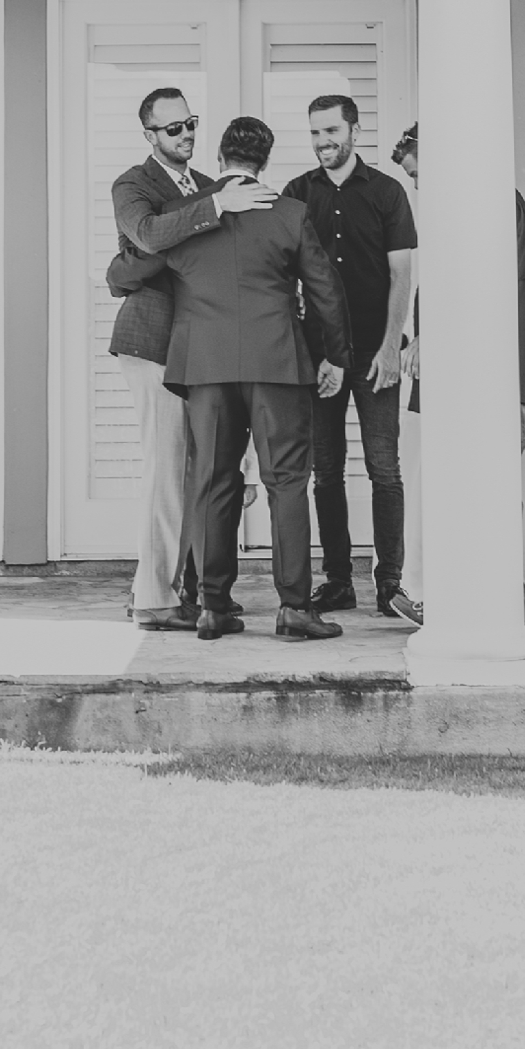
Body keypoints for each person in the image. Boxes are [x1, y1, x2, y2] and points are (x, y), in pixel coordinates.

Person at [161, 116, 354, 642]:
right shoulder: (290, 213)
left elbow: (146, 268)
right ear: (265, 162)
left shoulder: (183, 214)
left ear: (220, 159)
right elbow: (325, 291)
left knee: (213, 482)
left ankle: (212, 607)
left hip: (205, 365)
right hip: (276, 364)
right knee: (286, 483)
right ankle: (294, 609)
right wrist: (334, 356)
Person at [107, 87, 279, 632]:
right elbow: (150, 234)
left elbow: (190, 258)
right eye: (173, 128)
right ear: (150, 135)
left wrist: (128, 267)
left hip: (200, 346)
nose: (186, 135)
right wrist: (210, 211)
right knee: (167, 471)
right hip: (152, 342)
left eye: (191, 124)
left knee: (199, 472)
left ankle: (185, 590)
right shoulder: (135, 185)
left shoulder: (208, 187)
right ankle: (155, 597)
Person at [387, 123, 525, 630]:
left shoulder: (495, 204)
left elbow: (515, 296)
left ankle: (480, 596)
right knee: (431, 481)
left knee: (474, 489)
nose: (418, 188)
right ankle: (442, 592)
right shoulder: (454, 213)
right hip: (449, 377)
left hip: (488, 377)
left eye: (420, 175)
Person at [282, 84, 417, 619]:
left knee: (385, 469)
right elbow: (284, 272)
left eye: (332, 131)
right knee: (327, 471)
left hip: (375, 354)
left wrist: (389, 347)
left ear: (355, 132)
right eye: (315, 133)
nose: (323, 142)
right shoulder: (296, 192)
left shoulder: (386, 192)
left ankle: (390, 585)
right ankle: (338, 581)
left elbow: (402, 274)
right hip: (320, 360)